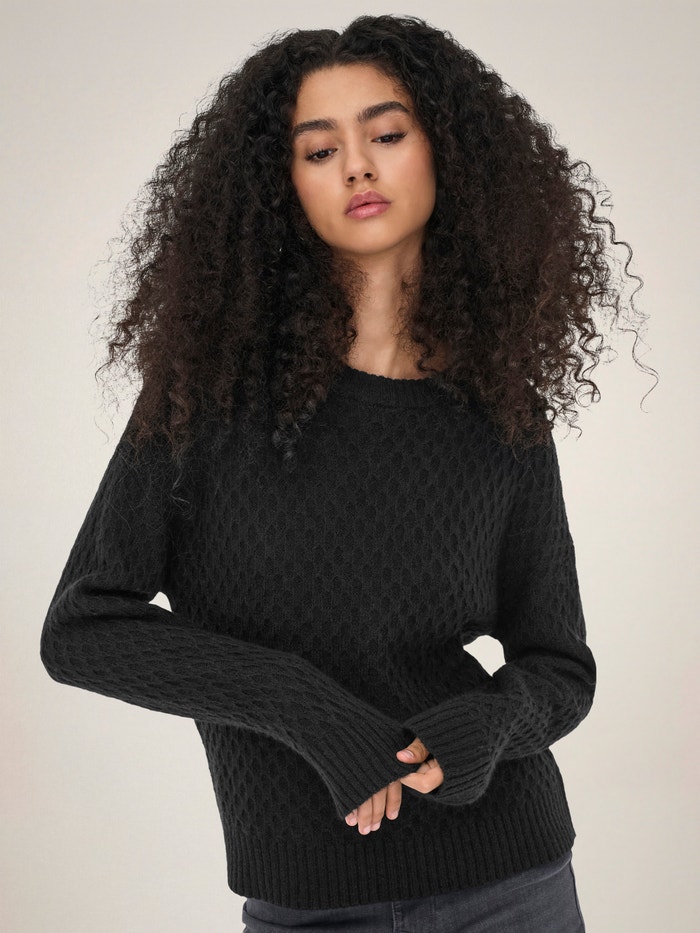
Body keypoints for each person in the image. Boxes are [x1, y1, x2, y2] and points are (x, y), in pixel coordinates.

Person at [40, 14, 650, 933]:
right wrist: (302, 706)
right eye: (320, 151)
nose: (359, 167)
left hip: (514, 880)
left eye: (388, 135)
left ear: (445, 154)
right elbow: (82, 628)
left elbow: (559, 666)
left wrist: (488, 727)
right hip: (311, 902)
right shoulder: (209, 395)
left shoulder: (499, 406)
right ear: (281, 185)